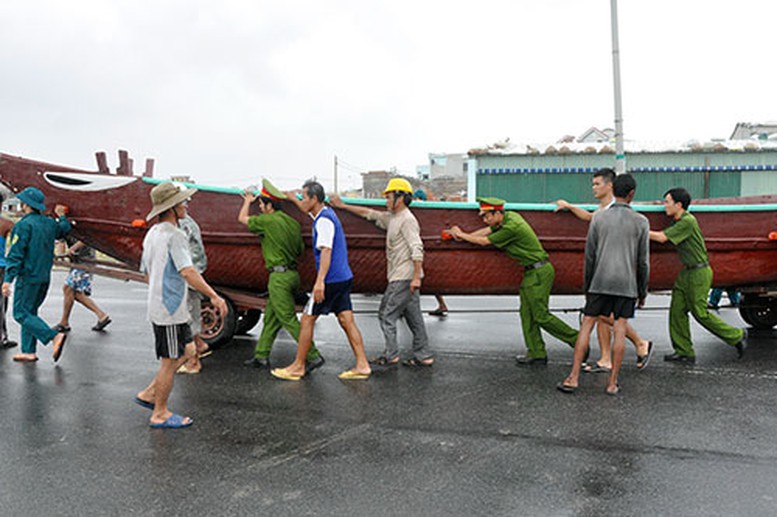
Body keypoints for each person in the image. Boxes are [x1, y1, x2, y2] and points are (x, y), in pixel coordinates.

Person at [133, 182, 227, 429]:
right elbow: (188, 271)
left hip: (164, 305)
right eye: (182, 202)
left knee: (188, 351)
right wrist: (214, 296)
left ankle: (151, 393)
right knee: (169, 360)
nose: (186, 205)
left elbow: (146, 271)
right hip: (170, 308)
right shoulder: (175, 235)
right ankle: (159, 413)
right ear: (172, 207)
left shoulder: (152, 233)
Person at [449, 197, 579, 364]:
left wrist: (460, 234)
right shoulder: (510, 216)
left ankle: (577, 341)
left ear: (497, 213)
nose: (484, 219)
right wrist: (462, 236)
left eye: (486, 216)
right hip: (531, 272)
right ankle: (536, 352)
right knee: (526, 314)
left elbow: (484, 241)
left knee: (541, 316)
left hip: (539, 272)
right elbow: (488, 230)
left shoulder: (511, 227)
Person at [557, 174, 650, 395]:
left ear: (613, 189)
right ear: (632, 194)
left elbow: (589, 256)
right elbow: (643, 262)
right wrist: (642, 292)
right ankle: (612, 383)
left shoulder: (599, 218)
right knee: (619, 330)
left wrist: (587, 286)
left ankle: (573, 378)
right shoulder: (641, 222)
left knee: (586, 326)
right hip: (626, 285)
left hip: (599, 282)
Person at [270, 180, 371, 381]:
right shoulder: (325, 214)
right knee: (346, 320)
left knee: (307, 319)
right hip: (343, 277)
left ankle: (298, 366)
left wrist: (320, 282)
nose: (302, 200)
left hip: (331, 279)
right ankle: (363, 365)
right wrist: (292, 198)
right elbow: (306, 210)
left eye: (304, 197)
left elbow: (326, 250)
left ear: (314, 199)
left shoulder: (324, 221)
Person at [330, 178, 434, 367]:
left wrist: (416, 277)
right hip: (405, 276)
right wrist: (343, 206)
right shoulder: (393, 218)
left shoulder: (408, 220)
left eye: (388, 197)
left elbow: (417, 247)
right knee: (414, 317)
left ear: (400, 198)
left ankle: (391, 354)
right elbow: (369, 214)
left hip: (403, 276)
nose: (386, 200)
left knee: (386, 314)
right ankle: (424, 355)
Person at [649, 188, 746, 363]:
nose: (664, 206)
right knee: (677, 311)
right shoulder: (678, 221)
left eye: (666, 202)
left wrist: (637, 229)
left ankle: (736, 336)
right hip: (687, 271)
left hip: (699, 272)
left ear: (678, 205)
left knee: (699, 312)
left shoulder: (687, 221)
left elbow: (662, 238)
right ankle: (684, 351)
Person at [238, 179, 325, 371]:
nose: (259, 208)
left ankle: (313, 355)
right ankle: (261, 356)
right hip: (293, 276)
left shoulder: (268, 221)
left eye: (261, 204)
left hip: (278, 278)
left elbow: (242, 219)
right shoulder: (293, 223)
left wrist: (247, 201)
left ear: (270, 205)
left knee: (287, 318)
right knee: (271, 316)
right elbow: (300, 251)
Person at [1, 187, 70, 362]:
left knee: (20, 313)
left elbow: (16, 255)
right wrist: (62, 215)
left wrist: (8, 280)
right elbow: (63, 229)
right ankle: (28, 351)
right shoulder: (49, 223)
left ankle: (53, 336)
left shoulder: (23, 225)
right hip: (44, 276)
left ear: (26, 204)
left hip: (28, 276)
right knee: (30, 312)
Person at [175, 209, 212, 374]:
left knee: (188, 315)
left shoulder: (181, 225)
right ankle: (199, 345)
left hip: (188, 273)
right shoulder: (189, 221)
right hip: (194, 270)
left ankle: (193, 361)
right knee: (191, 311)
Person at [55, 238, 111, 333]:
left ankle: (64, 323)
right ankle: (101, 315)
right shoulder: (63, 224)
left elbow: (87, 238)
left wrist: (72, 248)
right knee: (75, 293)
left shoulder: (79, 223)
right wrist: (61, 256)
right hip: (77, 262)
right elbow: (61, 240)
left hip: (86, 261)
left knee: (68, 288)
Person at [0, 194, 18, 349]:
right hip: (1, 266)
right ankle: (1, 337)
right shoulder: (7, 224)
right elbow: (15, 247)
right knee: (1, 303)